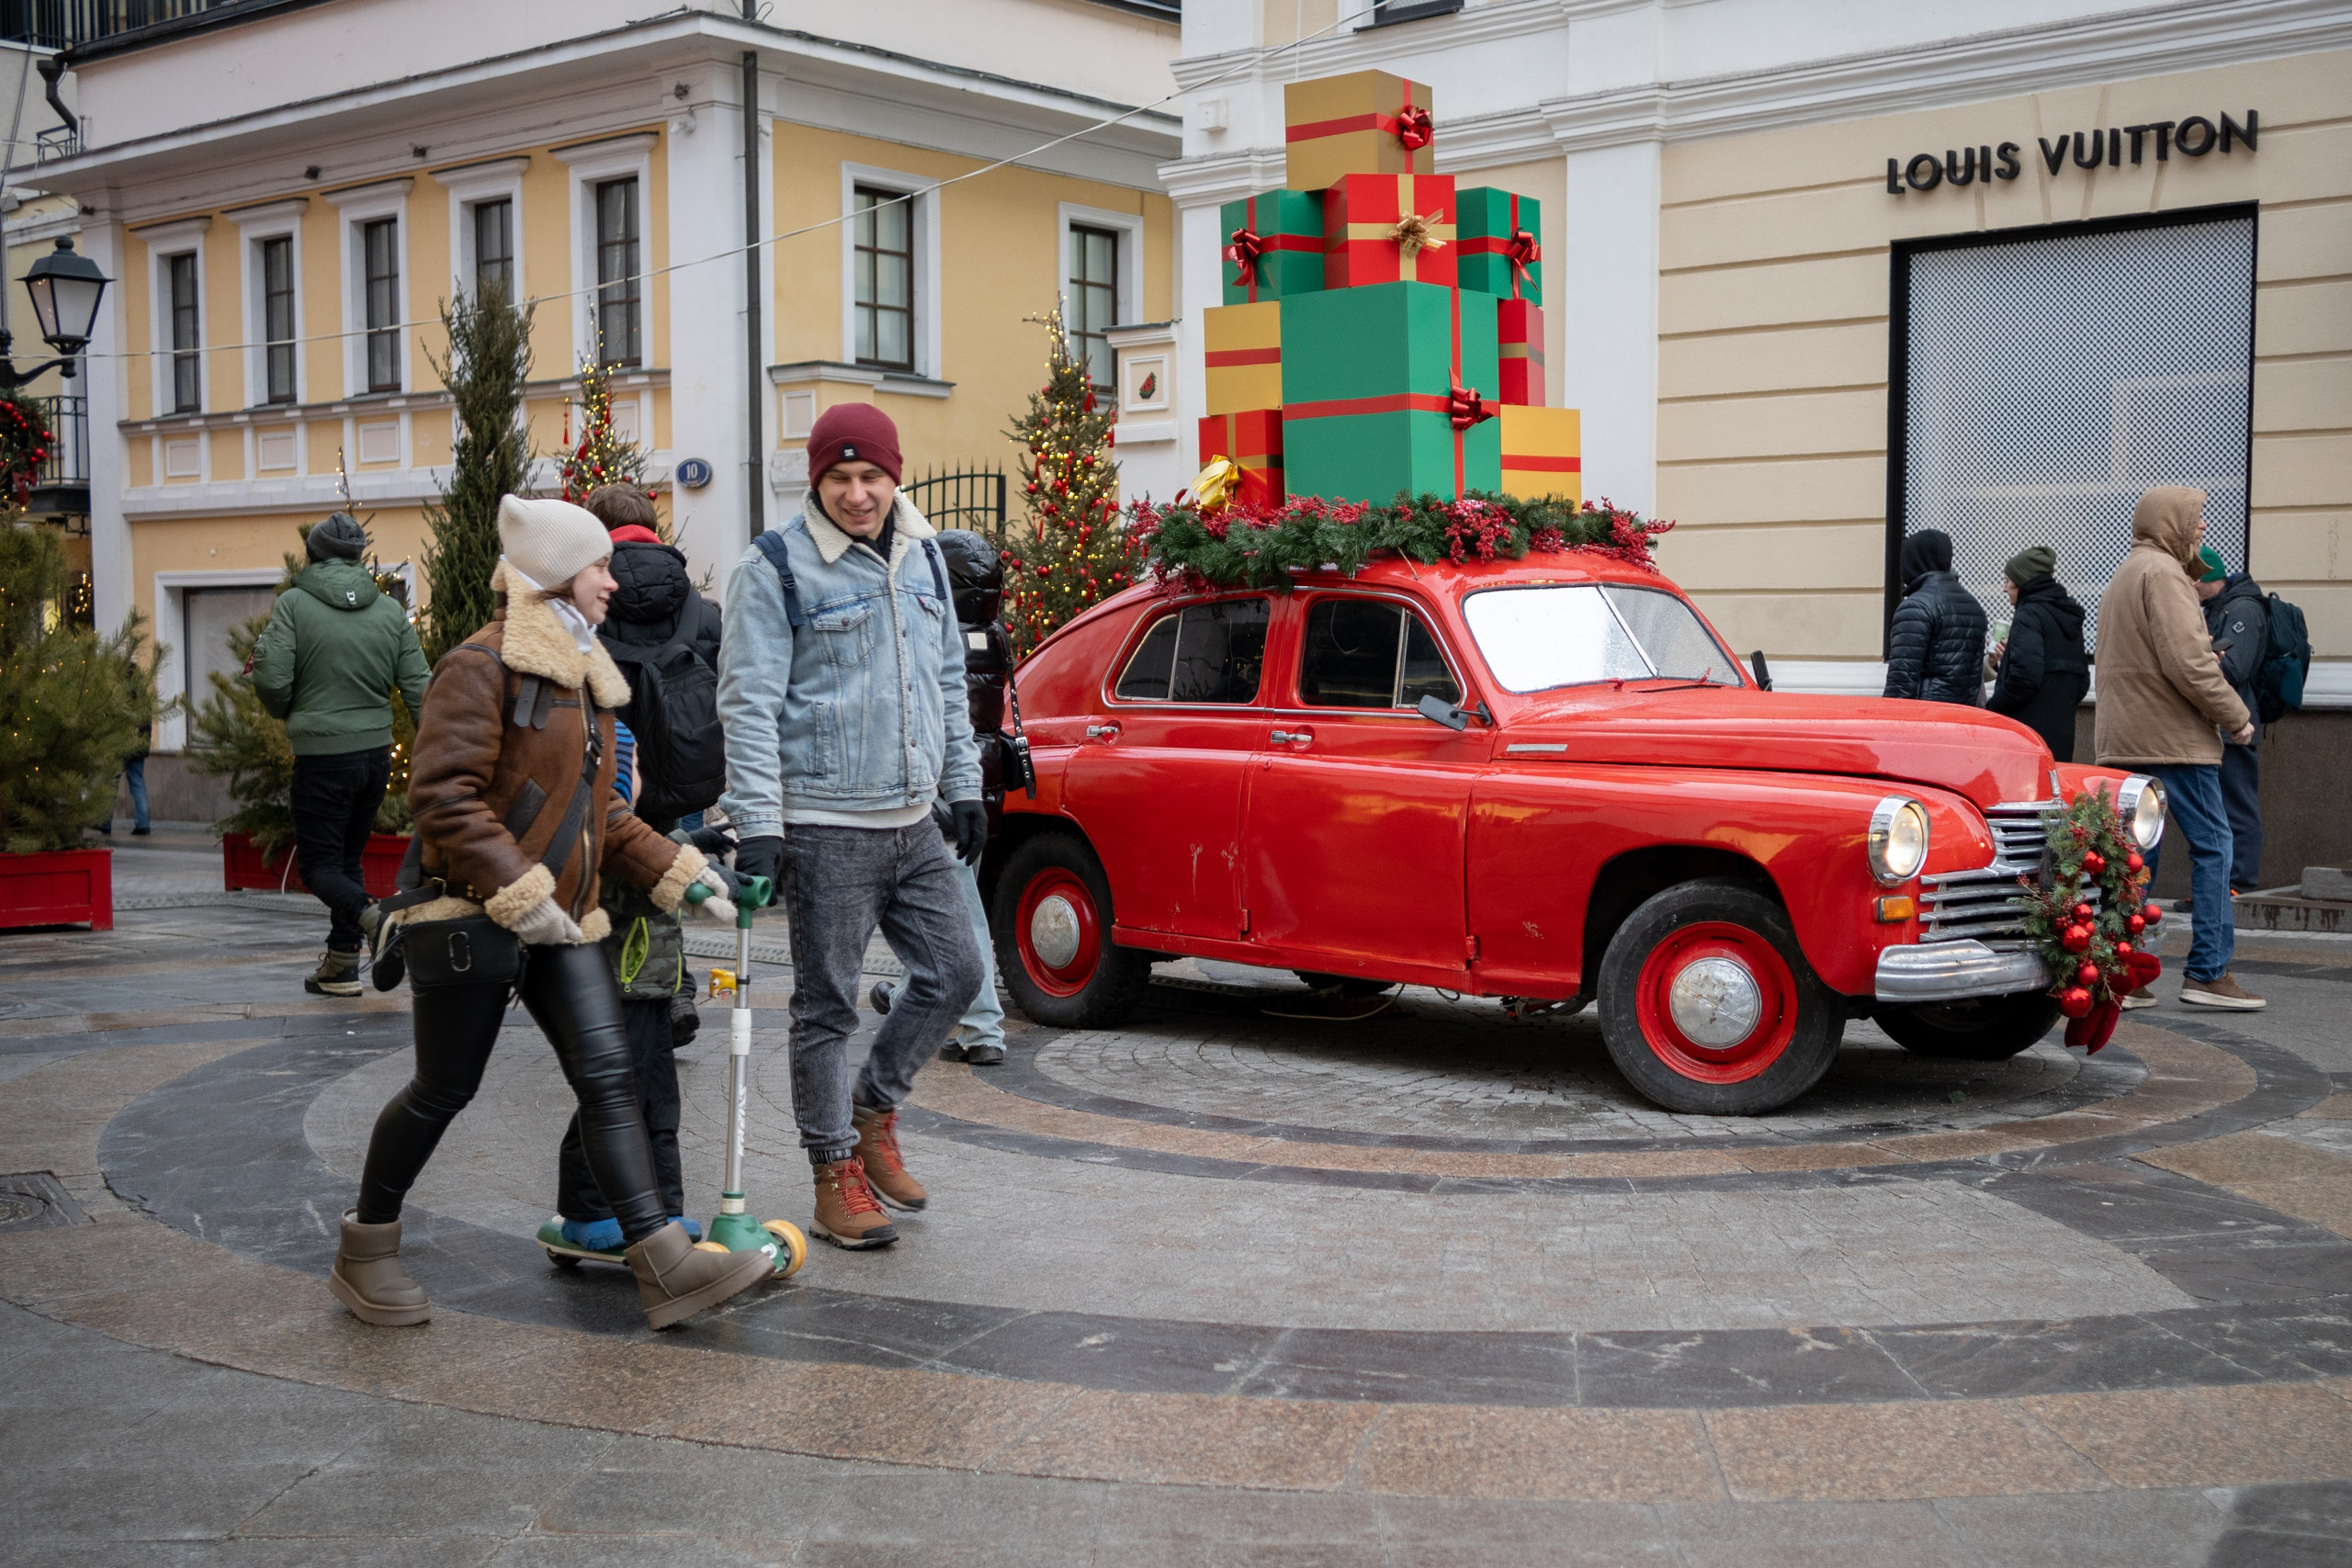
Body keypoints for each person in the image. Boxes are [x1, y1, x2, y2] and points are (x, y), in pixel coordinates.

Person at [329, 495, 766, 1331]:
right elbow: (441, 798)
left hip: (567, 926)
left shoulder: (585, 676)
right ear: (560, 575)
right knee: (441, 1089)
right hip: (475, 917)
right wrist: (518, 891)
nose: (613, 580)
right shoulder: (480, 666)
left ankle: (662, 1262)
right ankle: (367, 1247)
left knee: (613, 1080)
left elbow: (598, 814)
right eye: (598, 565)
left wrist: (684, 875)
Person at [718, 402, 986, 1251]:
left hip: (914, 820)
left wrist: (965, 783)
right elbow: (750, 705)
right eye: (840, 478)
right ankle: (834, 1170)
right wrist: (759, 823)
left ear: (894, 474)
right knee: (826, 1006)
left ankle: (873, 1110)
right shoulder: (775, 568)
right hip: (827, 824)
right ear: (817, 480)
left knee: (957, 972)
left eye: (871, 475)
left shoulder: (925, 559)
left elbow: (949, 679)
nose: (858, 493)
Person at [548, 484, 730, 1254]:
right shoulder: (702, 610)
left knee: (607, 1035)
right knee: (645, 1021)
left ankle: (598, 1206)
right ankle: (659, 1203)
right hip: (666, 835)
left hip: (591, 839)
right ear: (655, 527)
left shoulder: (575, 606)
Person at [2094, 487, 2262, 1011]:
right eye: (2196, 519)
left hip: (2125, 739)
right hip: (2173, 740)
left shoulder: (2125, 572)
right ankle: (2208, 974)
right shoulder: (2165, 575)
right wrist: (2237, 717)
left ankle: (2124, 972)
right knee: (2215, 847)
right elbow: (2189, 664)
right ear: (2172, 524)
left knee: (2137, 857)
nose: (2202, 528)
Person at [250, 512, 429, 997]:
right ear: (357, 557)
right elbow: (420, 687)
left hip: (322, 755)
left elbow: (271, 680)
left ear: (314, 556)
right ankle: (343, 963)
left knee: (317, 866)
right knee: (347, 859)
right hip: (375, 756)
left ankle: (376, 919)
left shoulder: (293, 605)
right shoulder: (391, 611)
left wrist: (285, 708)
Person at [870, 528, 1013, 1067]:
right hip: (984, 788)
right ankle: (914, 995)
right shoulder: (995, 633)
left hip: (943, 788)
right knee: (936, 905)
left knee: (958, 910)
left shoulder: (931, 631)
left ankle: (981, 1027)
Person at [2198, 544, 2267, 897]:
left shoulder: (2242, 609)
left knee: (2237, 807)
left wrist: (2202, 658)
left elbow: (2235, 668)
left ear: (2206, 576)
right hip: (2219, 725)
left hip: (2236, 725)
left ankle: (2239, 882)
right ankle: (2218, 887)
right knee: (2219, 810)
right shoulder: (2218, 608)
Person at [1985, 545, 2089, 762]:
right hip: (2062, 738)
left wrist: (1993, 709)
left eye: (2008, 581)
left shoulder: (2028, 614)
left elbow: (2026, 677)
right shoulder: (2068, 616)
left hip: (2027, 739)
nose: (2004, 589)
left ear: (2022, 581)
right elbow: (2081, 682)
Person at [1883, 528, 1987, 705]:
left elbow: (1900, 685)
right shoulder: (1973, 605)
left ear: (1913, 561)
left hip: (1925, 719)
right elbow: (1973, 676)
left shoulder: (1915, 606)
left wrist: (1886, 725)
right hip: (1962, 717)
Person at [95, 727, 152, 837]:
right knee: (137, 782)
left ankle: (105, 822)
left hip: (122, 747)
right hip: (140, 747)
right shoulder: (146, 709)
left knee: (111, 781)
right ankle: (143, 824)